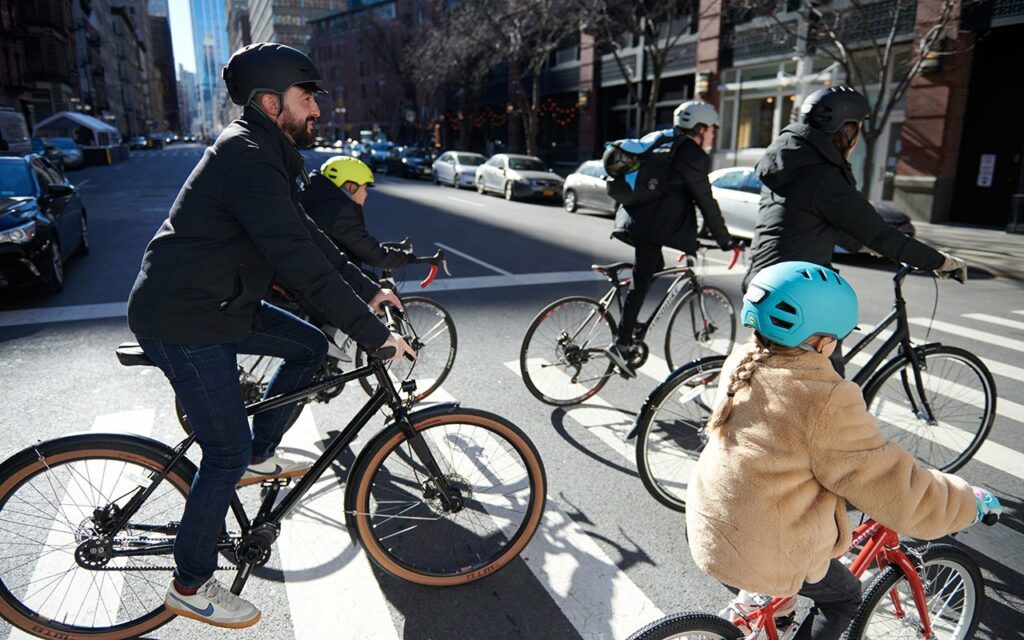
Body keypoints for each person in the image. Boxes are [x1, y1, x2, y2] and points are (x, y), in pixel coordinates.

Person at [127, 42, 415, 630]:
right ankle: (189, 583)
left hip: (222, 305)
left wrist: (367, 290)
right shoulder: (247, 156)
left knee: (312, 346)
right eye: (307, 98)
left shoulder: (267, 152)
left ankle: (258, 455)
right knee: (223, 449)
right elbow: (295, 261)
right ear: (269, 101)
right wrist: (372, 335)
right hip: (185, 316)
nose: (317, 110)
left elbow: (307, 235)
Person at [686, 261, 1001, 640]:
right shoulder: (824, 398)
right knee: (846, 598)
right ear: (823, 341)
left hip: (712, 522)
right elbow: (899, 489)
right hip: (764, 544)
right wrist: (968, 501)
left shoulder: (745, 359)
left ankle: (773, 604)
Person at [744, 85, 968, 375]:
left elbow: (818, 225)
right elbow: (881, 234)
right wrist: (939, 261)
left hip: (763, 281)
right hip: (795, 293)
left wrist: (866, 247)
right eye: (858, 129)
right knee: (828, 388)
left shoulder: (791, 162)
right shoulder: (823, 175)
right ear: (846, 129)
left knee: (776, 378)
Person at [606, 101, 736, 377]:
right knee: (642, 281)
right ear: (700, 128)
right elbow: (704, 199)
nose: (714, 134)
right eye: (712, 128)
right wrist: (725, 240)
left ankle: (631, 327)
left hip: (633, 218)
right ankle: (622, 343)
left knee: (653, 269)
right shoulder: (691, 153)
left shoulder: (662, 139)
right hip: (650, 228)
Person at [301, 155, 414, 271]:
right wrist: (407, 259)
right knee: (373, 285)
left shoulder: (316, 197)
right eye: (364, 188)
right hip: (322, 277)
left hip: (310, 268)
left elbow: (351, 246)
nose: (366, 194)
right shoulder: (341, 211)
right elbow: (372, 254)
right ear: (351, 187)